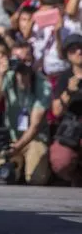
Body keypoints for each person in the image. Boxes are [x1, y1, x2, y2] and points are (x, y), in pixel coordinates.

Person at [0, 41, 52, 185]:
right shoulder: (8, 78)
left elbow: (35, 126)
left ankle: (33, 168)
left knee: (36, 179)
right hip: (12, 138)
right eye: (17, 60)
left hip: (35, 139)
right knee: (2, 177)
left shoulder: (43, 84)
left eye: (25, 60)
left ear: (32, 60)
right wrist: (0, 75)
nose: (21, 65)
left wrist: (17, 147)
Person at [50, 33, 82, 186]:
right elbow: (56, 111)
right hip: (71, 128)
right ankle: (76, 176)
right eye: (73, 50)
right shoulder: (64, 78)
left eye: (81, 48)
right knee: (61, 161)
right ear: (67, 55)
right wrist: (69, 91)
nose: (78, 52)